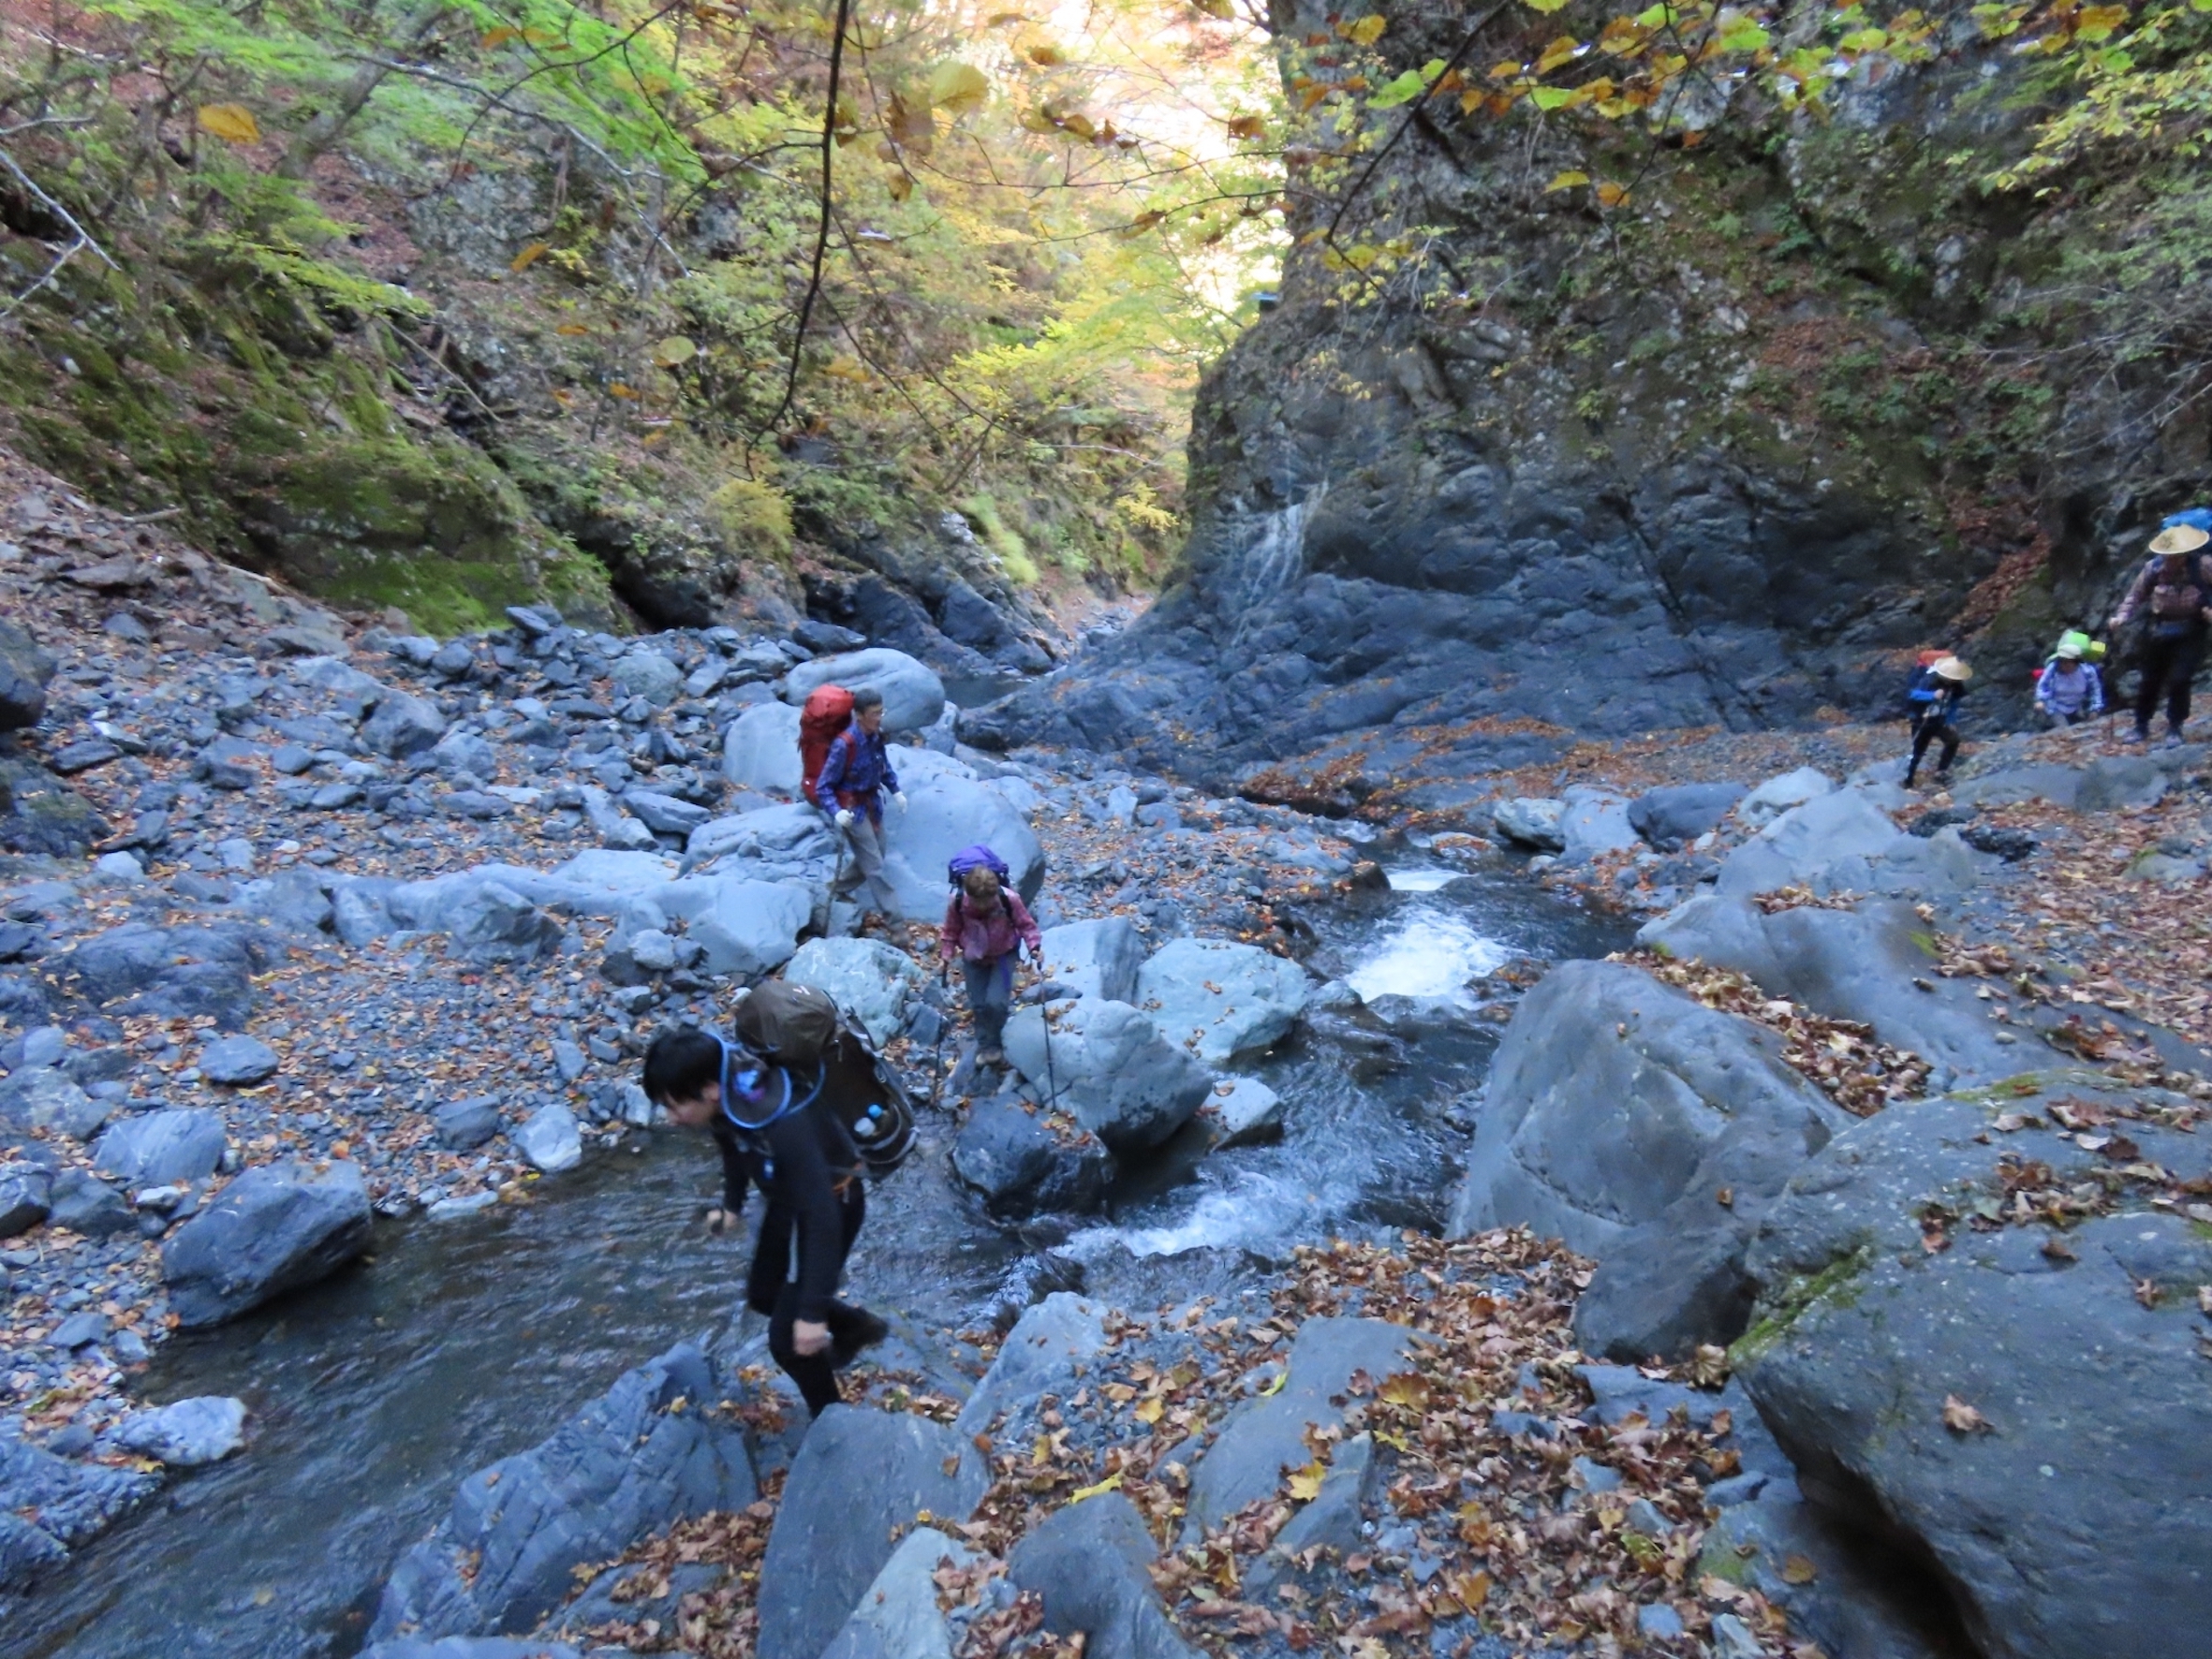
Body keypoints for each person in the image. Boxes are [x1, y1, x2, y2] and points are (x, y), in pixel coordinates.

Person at [641, 1024, 887, 1416]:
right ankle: (856, 1326)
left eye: (673, 1106)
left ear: (708, 1091)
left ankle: (833, 1419)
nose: (670, 1118)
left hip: (834, 1202)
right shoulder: (728, 1091)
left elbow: (822, 1216)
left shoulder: (782, 1118)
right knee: (762, 1294)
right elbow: (732, 1145)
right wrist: (732, 1206)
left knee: (788, 1341)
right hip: (790, 1198)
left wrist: (811, 1315)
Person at [812, 687, 907, 934]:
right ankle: (896, 924)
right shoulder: (844, 745)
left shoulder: (876, 737)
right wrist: (836, 812)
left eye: (881, 711)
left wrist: (895, 790)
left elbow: (883, 767)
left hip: (872, 805)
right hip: (852, 810)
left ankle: (835, 887)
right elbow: (824, 786)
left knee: (878, 852)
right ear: (860, 715)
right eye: (874, 713)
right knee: (874, 866)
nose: (879, 717)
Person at [2109, 522, 2212, 746]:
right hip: (2159, 629)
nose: (2171, 560)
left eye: (2175, 556)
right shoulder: (2153, 569)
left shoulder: (2203, 566)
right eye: (2168, 555)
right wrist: (2121, 617)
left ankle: (2175, 727)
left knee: (2180, 679)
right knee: (2150, 680)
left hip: (2192, 630)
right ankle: (2140, 725)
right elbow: (2135, 596)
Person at [938, 859, 1042, 1067]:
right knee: (978, 1004)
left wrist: (1035, 947)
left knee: (996, 1002)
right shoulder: (958, 901)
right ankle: (985, 1044)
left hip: (1003, 954)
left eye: (989, 900)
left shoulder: (1008, 899)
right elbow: (950, 931)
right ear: (971, 895)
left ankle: (994, 1045)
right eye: (981, 902)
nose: (986, 905)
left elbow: (1026, 925)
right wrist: (946, 956)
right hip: (973, 956)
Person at [1903, 654, 1970, 786]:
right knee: (1918, 751)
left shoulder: (1956, 685)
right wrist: (1932, 695)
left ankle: (1941, 771)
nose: (1952, 680)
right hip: (1922, 720)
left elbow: (1954, 703)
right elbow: (1913, 694)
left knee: (1953, 741)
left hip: (1940, 720)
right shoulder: (1929, 679)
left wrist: (1951, 720)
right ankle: (1909, 778)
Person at [2035, 634, 2104, 727]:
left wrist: (2095, 709)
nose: (2064, 665)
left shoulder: (2087, 672)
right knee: (2064, 729)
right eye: (2062, 661)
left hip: (2077, 705)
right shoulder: (2053, 669)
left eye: (2068, 662)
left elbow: (2095, 690)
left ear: (2076, 662)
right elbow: (2043, 686)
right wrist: (2041, 700)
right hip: (2056, 707)